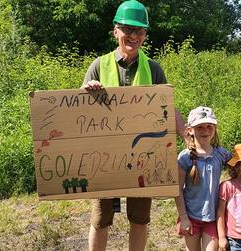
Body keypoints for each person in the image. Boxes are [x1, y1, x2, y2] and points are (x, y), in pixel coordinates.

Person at [81, 1, 186, 250]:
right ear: (115, 31)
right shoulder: (99, 65)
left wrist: (187, 134)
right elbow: (78, 112)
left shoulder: (154, 69)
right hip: (104, 158)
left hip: (143, 158)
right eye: (128, 29)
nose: (134, 36)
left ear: (145, 34)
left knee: (139, 219)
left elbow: (167, 106)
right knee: (100, 219)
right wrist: (87, 92)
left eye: (139, 31)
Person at [174, 106, 241, 251]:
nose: (205, 131)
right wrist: (184, 217)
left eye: (209, 126)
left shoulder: (220, 153)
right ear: (190, 130)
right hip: (191, 217)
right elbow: (177, 188)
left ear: (215, 128)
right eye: (200, 127)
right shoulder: (185, 157)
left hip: (212, 218)